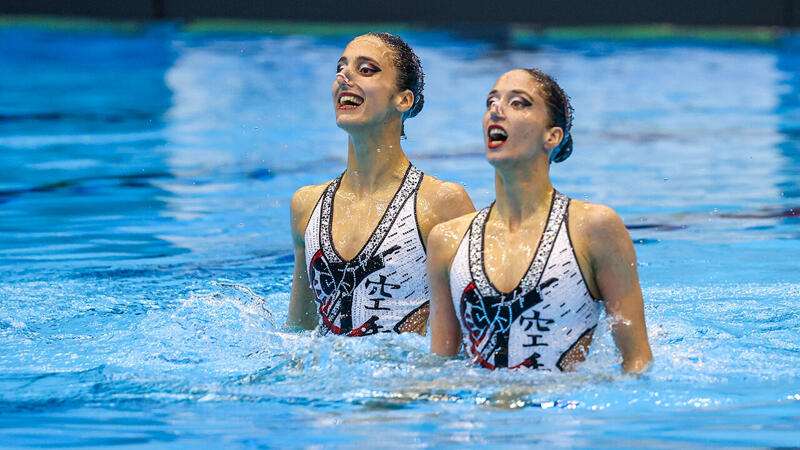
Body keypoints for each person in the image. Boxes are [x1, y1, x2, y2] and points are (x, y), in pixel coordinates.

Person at [427, 69, 652, 372]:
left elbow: (637, 361)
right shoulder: (448, 241)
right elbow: (442, 364)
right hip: (478, 414)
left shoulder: (593, 228)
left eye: (518, 103)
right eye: (491, 101)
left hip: (561, 411)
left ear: (552, 136)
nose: (496, 109)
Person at [287, 33, 474, 336]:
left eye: (366, 69)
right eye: (341, 67)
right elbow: (298, 330)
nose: (343, 76)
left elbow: (473, 332)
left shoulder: (441, 203)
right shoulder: (307, 204)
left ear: (404, 99)